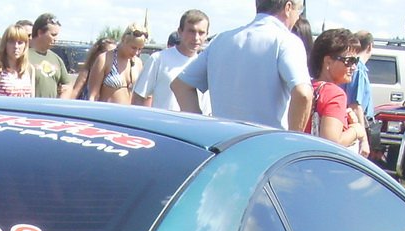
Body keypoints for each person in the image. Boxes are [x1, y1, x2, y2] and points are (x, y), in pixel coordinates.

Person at [172, 0, 312, 131]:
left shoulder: (221, 39)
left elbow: (180, 85)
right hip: (267, 147)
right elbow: (303, 94)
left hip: (222, 144)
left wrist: (202, 127)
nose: (298, 17)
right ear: (288, 8)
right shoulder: (287, 41)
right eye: (298, 10)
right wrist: (291, 142)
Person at [133, 10, 208, 112]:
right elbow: (138, 99)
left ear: (207, 35)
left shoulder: (207, 66)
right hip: (162, 126)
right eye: (191, 31)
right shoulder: (159, 59)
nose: (196, 38)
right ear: (180, 32)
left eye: (201, 33)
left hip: (195, 126)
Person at [309, 28, 368, 154]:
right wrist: (357, 130)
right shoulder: (335, 94)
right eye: (349, 61)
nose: (354, 67)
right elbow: (331, 142)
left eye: (356, 61)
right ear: (328, 61)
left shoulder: (308, 87)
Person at [93, 23, 147, 103]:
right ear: (124, 40)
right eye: (133, 48)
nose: (136, 52)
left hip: (130, 113)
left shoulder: (138, 63)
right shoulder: (104, 59)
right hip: (107, 113)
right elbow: (93, 96)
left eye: (140, 49)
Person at [0, 22, 34, 96]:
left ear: (25, 45)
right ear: (5, 44)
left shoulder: (28, 70)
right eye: (11, 42)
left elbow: (32, 99)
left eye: (20, 42)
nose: (16, 46)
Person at [27, 13, 72, 98]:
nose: (56, 39)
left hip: (50, 109)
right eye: (53, 35)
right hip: (29, 109)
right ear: (40, 33)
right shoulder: (23, 56)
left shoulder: (56, 59)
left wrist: (60, 103)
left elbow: (68, 86)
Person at [69, 35, 114, 100]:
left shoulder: (114, 77)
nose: (111, 56)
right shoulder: (87, 72)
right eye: (108, 53)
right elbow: (75, 92)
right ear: (98, 54)